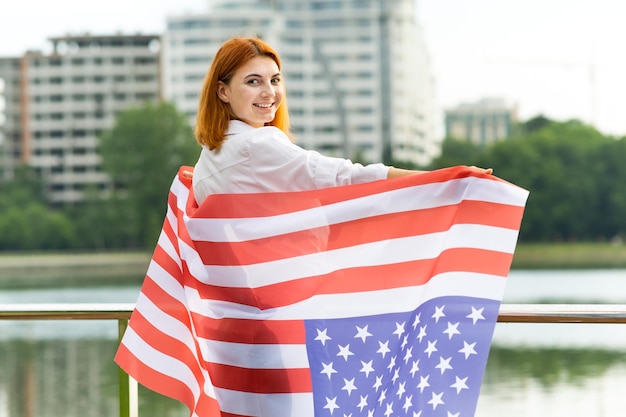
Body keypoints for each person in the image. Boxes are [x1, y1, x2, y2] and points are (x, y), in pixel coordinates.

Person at [191, 36, 490, 203]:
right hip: (278, 305)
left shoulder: (208, 160)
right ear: (223, 91)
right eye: (253, 82)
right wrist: (446, 178)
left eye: (275, 80)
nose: (269, 92)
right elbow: (346, 176)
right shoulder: (257, 144)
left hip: (231, 307)